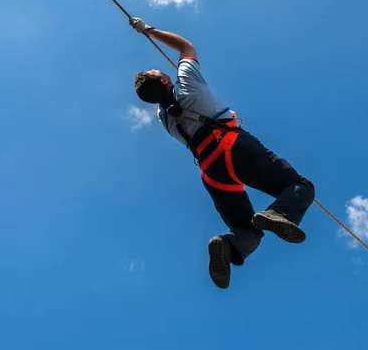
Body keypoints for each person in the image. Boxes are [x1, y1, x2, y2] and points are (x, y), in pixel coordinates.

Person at [129, 17, 315, 289]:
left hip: (212, 171)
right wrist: (149, 30)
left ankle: (229, 245)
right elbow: (184, 46)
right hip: (232, 145)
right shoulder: (187, 83)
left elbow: (159, 94)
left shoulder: (164, 119)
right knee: (301, 186)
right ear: (167, 79)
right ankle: (280, 214)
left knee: (246, 229)